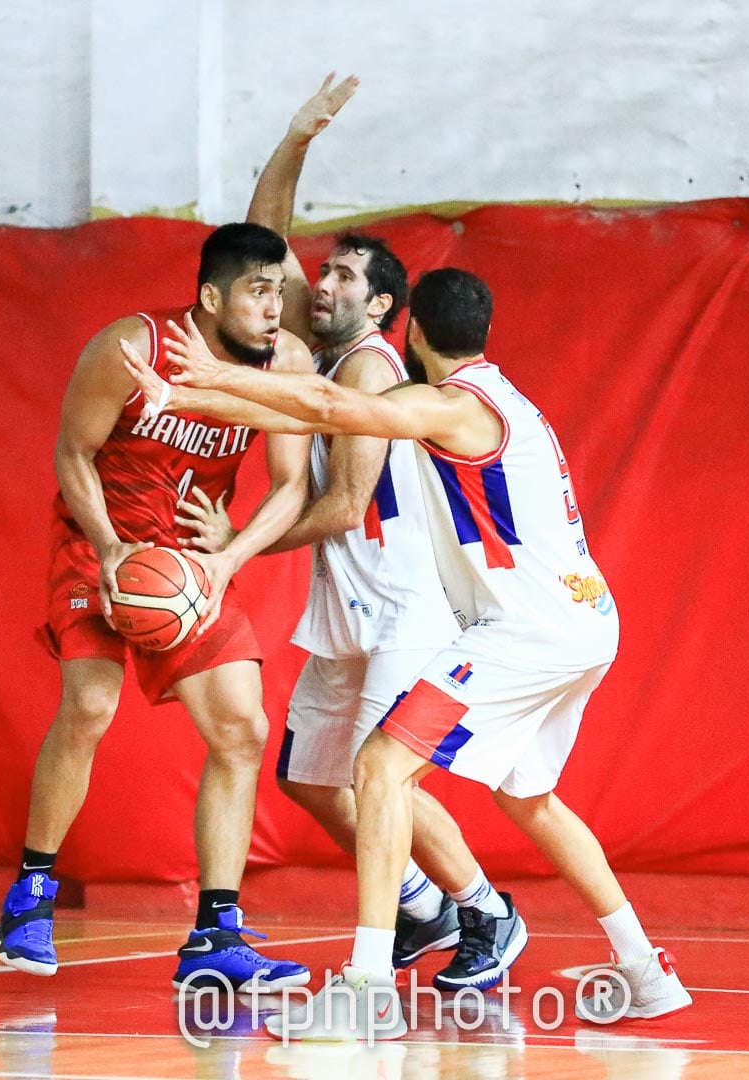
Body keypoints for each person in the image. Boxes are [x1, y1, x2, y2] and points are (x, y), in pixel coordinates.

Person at [123, 267, 694, 1038]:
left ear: (413, 330)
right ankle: (645, 972)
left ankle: (368, 988)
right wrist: (191, 396)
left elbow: (328, 404)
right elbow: (314, 405)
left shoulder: (449, 405)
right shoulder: (504, 399)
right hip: (586, 620)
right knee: (531, 799)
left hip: (527, 630)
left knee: (379, 767)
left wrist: (210, 374)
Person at [153, 77, 530, 984]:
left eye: (342, 278)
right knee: (308, 778)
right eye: (320, 275)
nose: (316, 284)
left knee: (378, 775)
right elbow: (264, 245)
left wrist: (234, 547)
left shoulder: (367, 368)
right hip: (348, 604)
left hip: (405, 604)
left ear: (380, 308)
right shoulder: (319, 346)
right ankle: (423, 906)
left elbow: (343, 506)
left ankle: (484, 910)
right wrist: (295, 141)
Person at [0, 221, 313, 996]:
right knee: (91, 705)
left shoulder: (288, 363)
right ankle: (31, 892)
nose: (276, 308)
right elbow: (74, 451)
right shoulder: (131, 348)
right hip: (97, 541)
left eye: (281, 291)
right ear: (211, 298)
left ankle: (216, 933)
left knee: (243, 727)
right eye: (258, 291)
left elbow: (293, 485)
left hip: (189, 561)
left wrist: (225, 560)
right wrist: (105, 547)